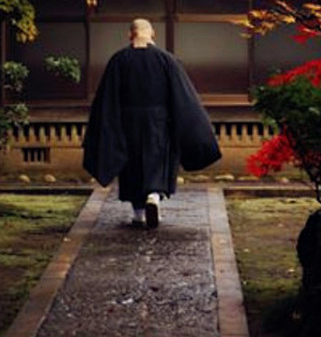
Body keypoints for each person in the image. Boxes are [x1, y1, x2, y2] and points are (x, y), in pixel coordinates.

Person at [82, 18, 221, 228]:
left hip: (128, 122)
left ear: (131, 35)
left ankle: (138, 214)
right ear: (152, 34)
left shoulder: (119, 60)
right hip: (159, 123)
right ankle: (154, 196)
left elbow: (106, 97)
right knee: (157, 160)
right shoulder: (166, 59)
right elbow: (182, 95)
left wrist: (108, 127)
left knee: (132, 165)